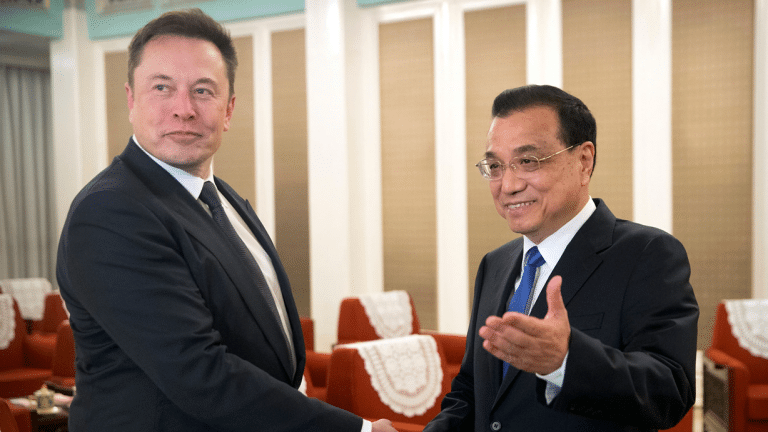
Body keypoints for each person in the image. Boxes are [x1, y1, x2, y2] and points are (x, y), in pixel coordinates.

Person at [56, 9, 395, 432]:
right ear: (131, 100)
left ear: (229, 109)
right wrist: (356, 430)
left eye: (203, 90)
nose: (184, 109)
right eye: (162, 87)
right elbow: (199, 374)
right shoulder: (111, 211)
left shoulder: (222, 199)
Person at [423, 85, 698, 431]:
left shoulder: (648, 254)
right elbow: (472, 392)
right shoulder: (494, 264)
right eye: (495, 166)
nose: (507, 185)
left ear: (584, 161)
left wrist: (565, 361)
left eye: (527, 162)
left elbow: (670, 390)